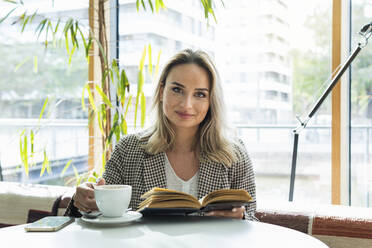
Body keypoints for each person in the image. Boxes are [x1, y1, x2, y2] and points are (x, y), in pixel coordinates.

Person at [65, 49, 257, 220]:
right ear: (161, 90)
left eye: (199, 94)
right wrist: (80, 202)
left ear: (211, 100)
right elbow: (96, 213)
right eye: (177, 90)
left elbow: (252, 223)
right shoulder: (128, 149)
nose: (186, 104)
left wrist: (241, 219)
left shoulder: (234, 154)